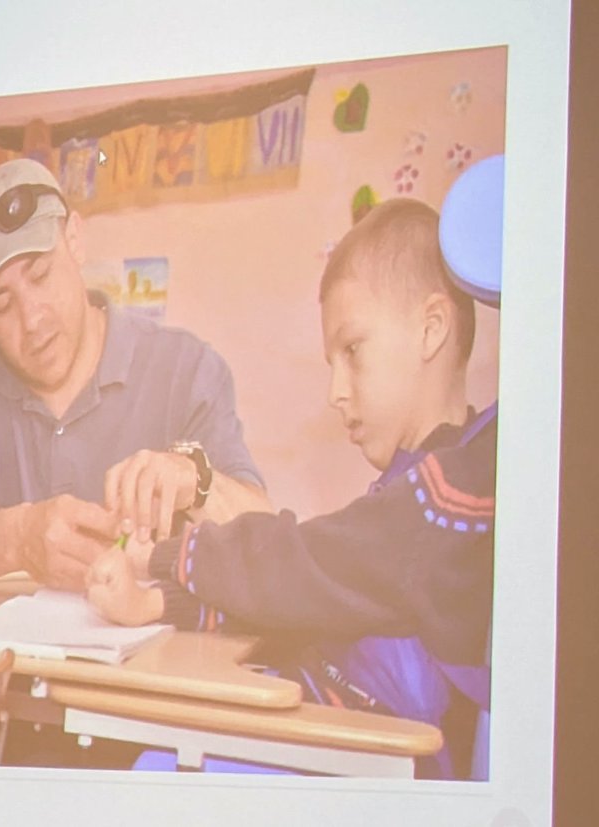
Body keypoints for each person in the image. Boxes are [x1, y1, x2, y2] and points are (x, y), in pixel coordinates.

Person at [86, 198, 495, 779]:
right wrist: (155, 602)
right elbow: (316, 601)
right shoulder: (410, 491)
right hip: (342, 745)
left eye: (352, 351)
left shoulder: (458, 489)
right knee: (156, 763)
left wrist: (162, 559)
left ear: (431, 330)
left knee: (157, 774)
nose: (336, 390)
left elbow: (310, 563)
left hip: (393, 779)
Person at [0, 158, 269, 597]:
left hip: (149, 665)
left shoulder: (186, 368)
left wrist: (194, 483)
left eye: (41, 276)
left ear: (75, 240)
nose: (32, 320)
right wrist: (16, 539)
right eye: (3, 306)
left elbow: (268, 543)